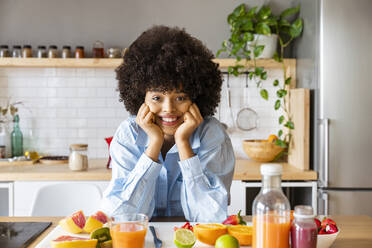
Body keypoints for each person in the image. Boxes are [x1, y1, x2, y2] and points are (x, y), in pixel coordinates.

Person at [101, 25, 235, 222]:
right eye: (157, 98)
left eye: (180, 98)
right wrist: (154, 145)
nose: (169, 109)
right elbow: (122, 218)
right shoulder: (128, 134)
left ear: (196, 98)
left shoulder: (211, 134)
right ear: (141, 97)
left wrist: (183, 143)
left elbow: (211, 218)